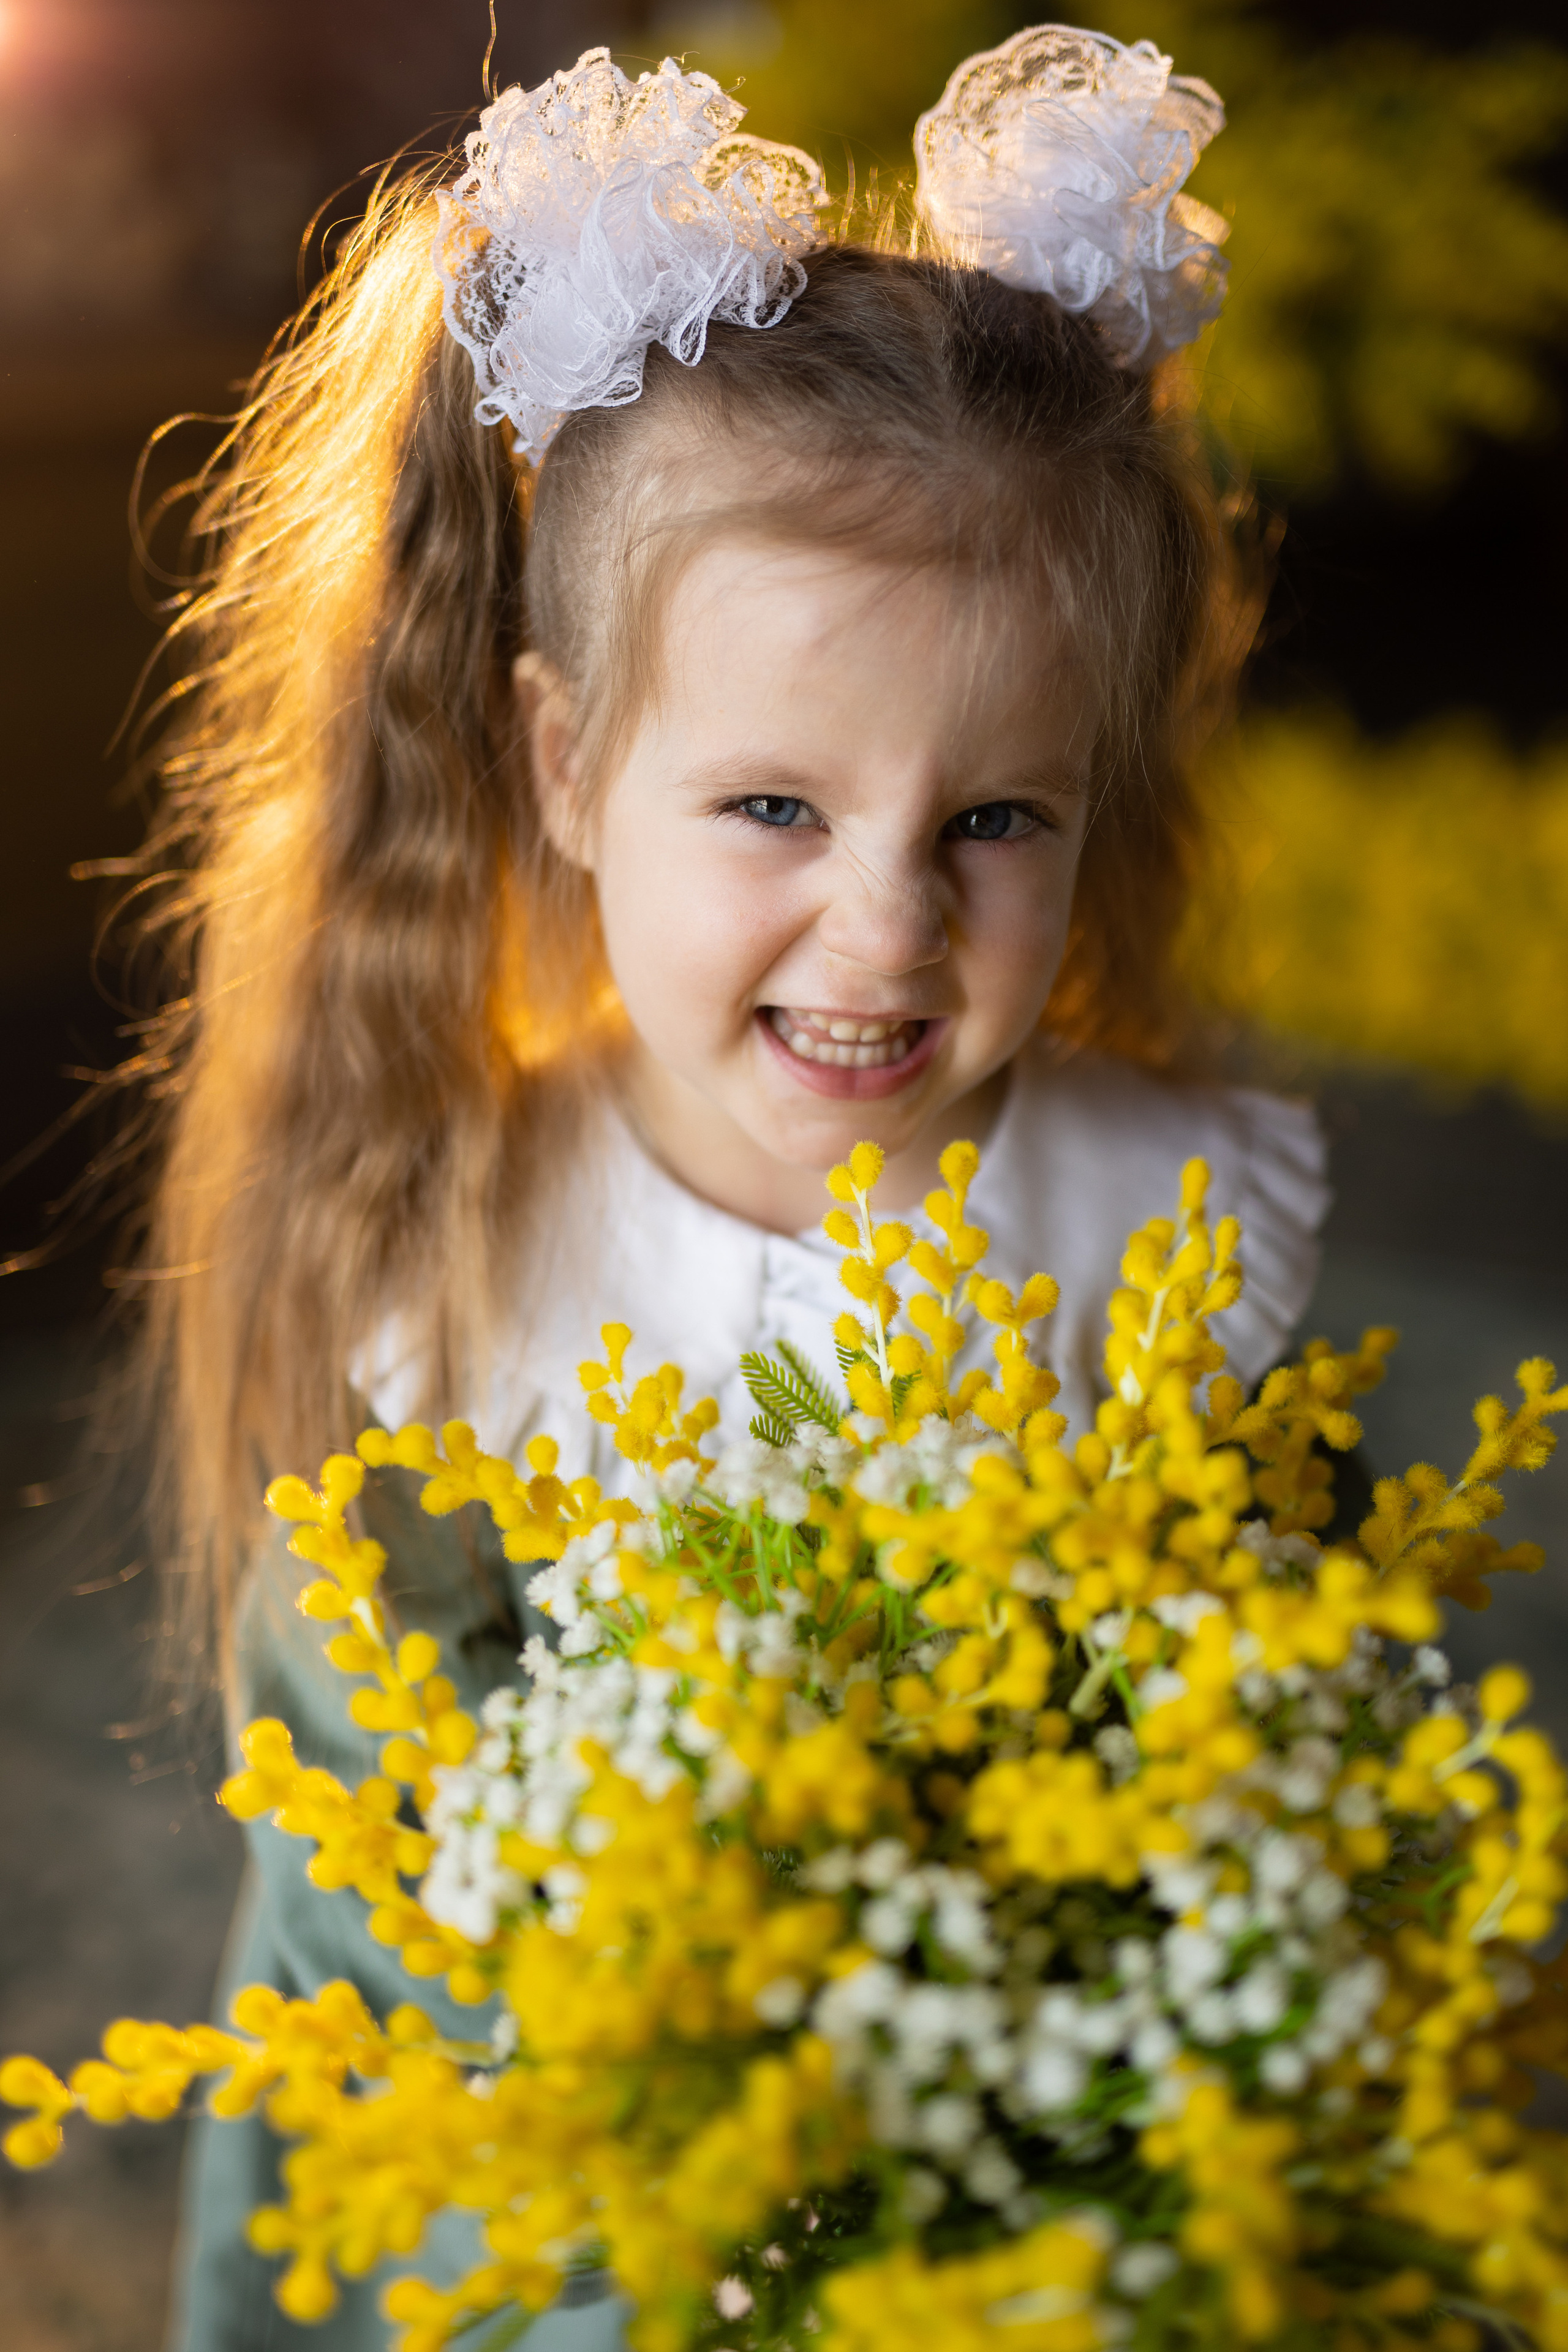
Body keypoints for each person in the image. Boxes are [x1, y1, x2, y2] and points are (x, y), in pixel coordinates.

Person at [133, 28, 1328, 2350]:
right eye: (774, 809)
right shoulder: (461, 1257)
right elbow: (369, 1911)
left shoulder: (1174, 1226)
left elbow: (1273, 1752)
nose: (889, 935)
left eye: (995, 820)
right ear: (569, 764)